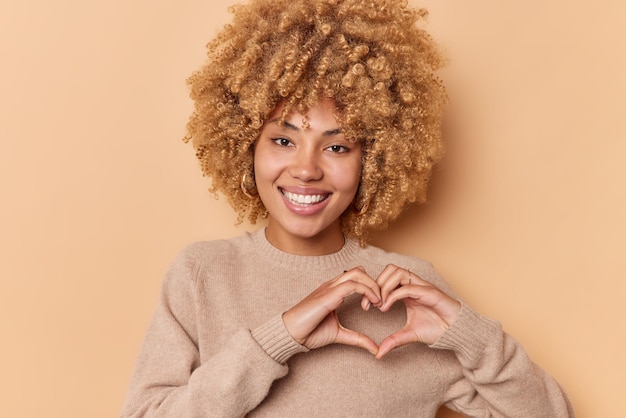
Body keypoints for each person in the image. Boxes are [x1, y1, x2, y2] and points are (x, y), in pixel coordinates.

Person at [121, 0, 574, 416]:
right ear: (246, 145)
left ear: (373, 160)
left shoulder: (404, 294)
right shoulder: (202, 275)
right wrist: (278, 339)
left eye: (337, 147)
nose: (306, 169)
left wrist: (470, 334)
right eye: (283, 140)